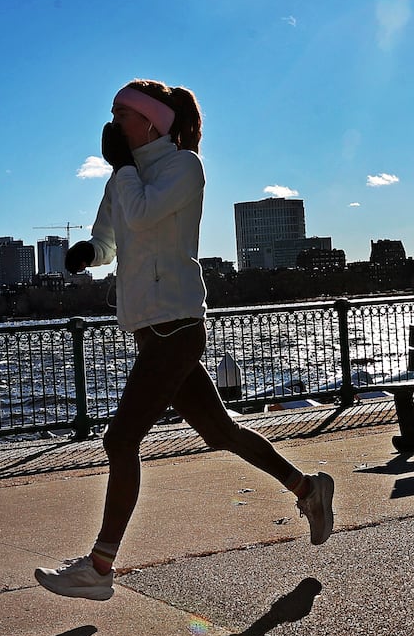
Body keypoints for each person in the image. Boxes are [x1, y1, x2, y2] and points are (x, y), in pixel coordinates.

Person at [35, 79, 335, 602]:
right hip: (150, 330)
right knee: (219, 432)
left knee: (120, 440)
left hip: (177, 326)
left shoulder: (182, 167)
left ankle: (100, 567)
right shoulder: (121, 179)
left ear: (151, 120)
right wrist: (89, 252)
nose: (113, 125)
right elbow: (113, 236)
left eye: (122, 115)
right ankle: (309, 489)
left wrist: (123, 169)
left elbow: (147, 212)